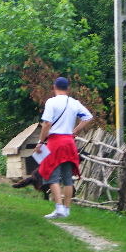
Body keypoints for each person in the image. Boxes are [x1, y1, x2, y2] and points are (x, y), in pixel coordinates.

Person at [34, 76, 93, 219]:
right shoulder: (74, 103)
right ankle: (67, 209)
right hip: (69, 142)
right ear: (68, 89)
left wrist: (41, 142)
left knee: (51, 175)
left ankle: (59, 207)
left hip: (55, 142)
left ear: (54, 87)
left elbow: (47, 123)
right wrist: (76, 130)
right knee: (68, 177)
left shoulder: (51, 102)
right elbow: (88, 117)